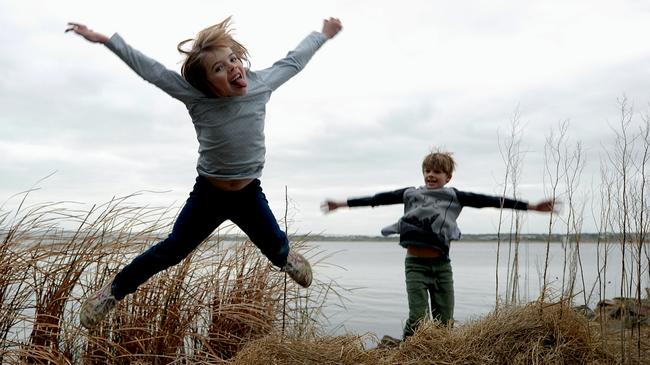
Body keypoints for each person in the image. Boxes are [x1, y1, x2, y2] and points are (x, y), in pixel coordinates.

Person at [66, 16, 343, 329]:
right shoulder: (195, 97)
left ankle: (286, 257)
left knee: (276, 247)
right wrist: (106, 40)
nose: (233, 68)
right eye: (219, 69)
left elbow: (294, 60)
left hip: (248, 195)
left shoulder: (261, 84)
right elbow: (153, 71)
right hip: (208, 196)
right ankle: (113, 292)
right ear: (206, 84)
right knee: (170, 252)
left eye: (233, 60)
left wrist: (323, 34)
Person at [322, 150, 556, 340]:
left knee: (444, 321)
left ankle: (438, 355)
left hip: (442, 267)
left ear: (448, 177)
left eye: (437, 172)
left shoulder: (455, 196)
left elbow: (491, 201)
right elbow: (377, 199)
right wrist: (341, 205)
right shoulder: (410, 194)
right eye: (427, 170)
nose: (431, 175)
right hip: (415, 266)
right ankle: (406, 353)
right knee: (417, 319)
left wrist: (532, 207)